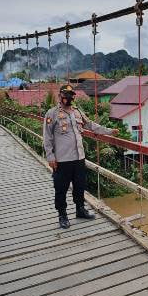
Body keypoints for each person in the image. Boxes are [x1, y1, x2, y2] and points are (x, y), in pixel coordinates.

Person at [43, 85, 118, 229]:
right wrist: (50, 157)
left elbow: (90, 124)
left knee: (80, 186)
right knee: (61, 188)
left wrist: (108, 131)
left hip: (79, 158)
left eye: (71, 94)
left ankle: (80, 210)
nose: (68, 97)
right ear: (60, 96)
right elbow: (47, 137)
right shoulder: (51, 114)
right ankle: (62, 215)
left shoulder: (77, 112)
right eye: (65, 94)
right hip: (62, 160)